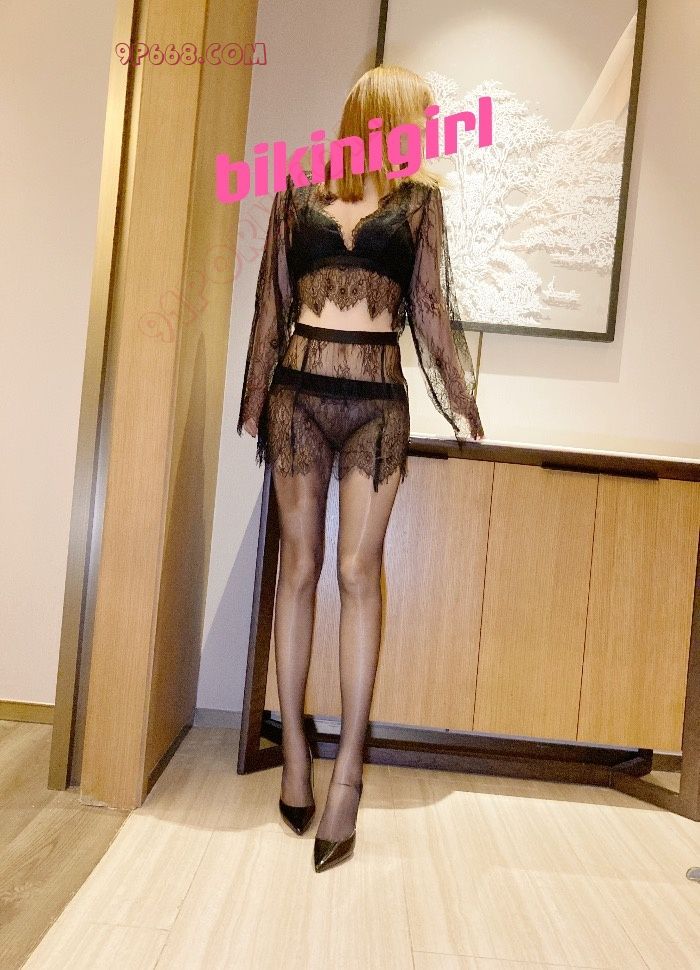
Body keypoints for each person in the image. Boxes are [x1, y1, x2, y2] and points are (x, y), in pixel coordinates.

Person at [237, 64, 485, 872]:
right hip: (299, 396)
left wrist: (461, 398)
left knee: (356, 571)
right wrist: (254, 400)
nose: (429, 128)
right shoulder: (295, 194)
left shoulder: (419, 203)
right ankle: (296, 753)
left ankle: (348, 771)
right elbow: (273, 303)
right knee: (300, 569)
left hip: (377, 402)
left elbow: (430, 309)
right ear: (382, 116)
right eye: (420, 115)